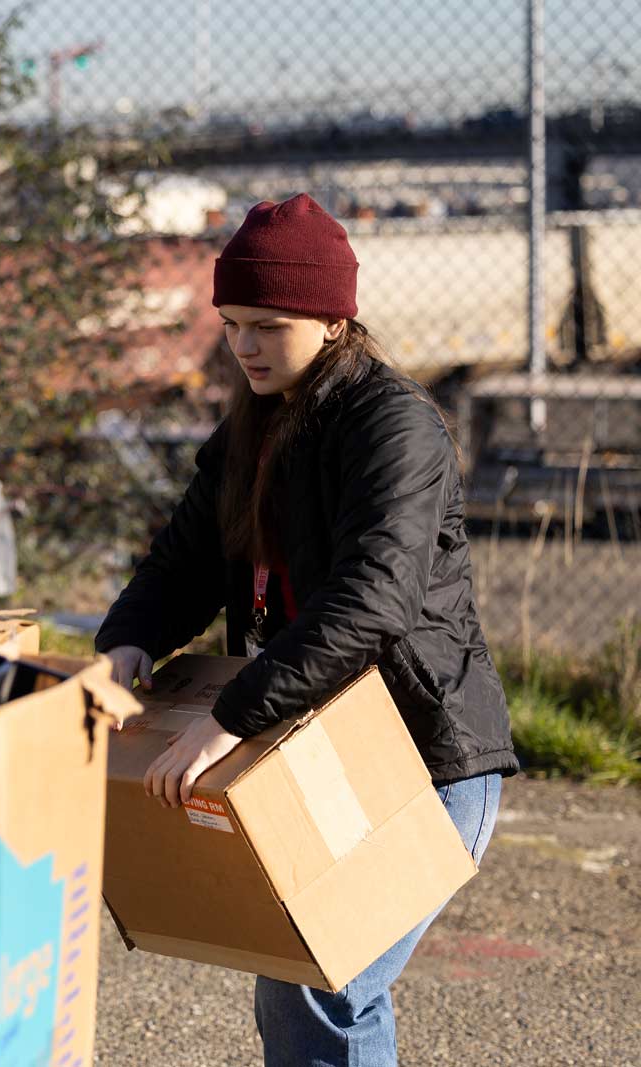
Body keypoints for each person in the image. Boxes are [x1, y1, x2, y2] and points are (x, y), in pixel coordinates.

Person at [94, 193, 518, 1066]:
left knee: (325, 980)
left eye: (268, 325)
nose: (244, 346)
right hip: (314, 747)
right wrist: (124, 648)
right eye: (233, 323)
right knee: (298, 977)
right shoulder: (251, 427)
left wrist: (228, 718)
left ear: (333, 319)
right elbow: (180, 562)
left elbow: (371, 601)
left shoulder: (393, 427)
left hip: (424, 760)